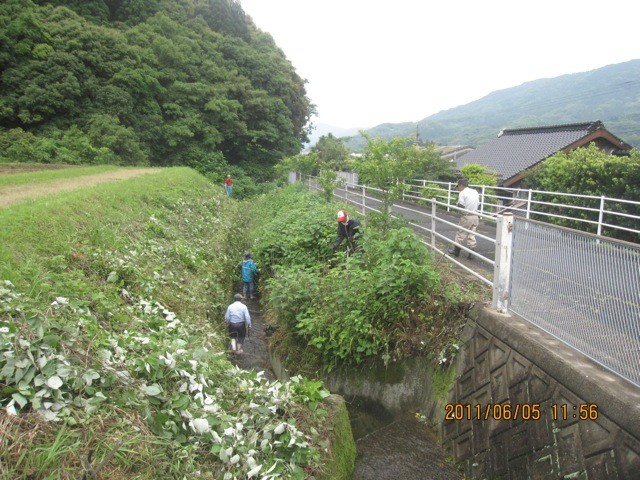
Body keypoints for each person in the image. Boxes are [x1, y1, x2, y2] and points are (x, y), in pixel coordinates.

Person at [448, 178, 480, 259]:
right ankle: (471, 253)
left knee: (460, 233)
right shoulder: (475, 191)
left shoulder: (462, 193)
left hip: (467, 216)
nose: (458, 188)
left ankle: (456, 251)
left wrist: (456, 206)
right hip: (475, 215)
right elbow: (478, 203)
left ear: (461, 185)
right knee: (472, 234)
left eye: (458, 186)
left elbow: (461, 206)